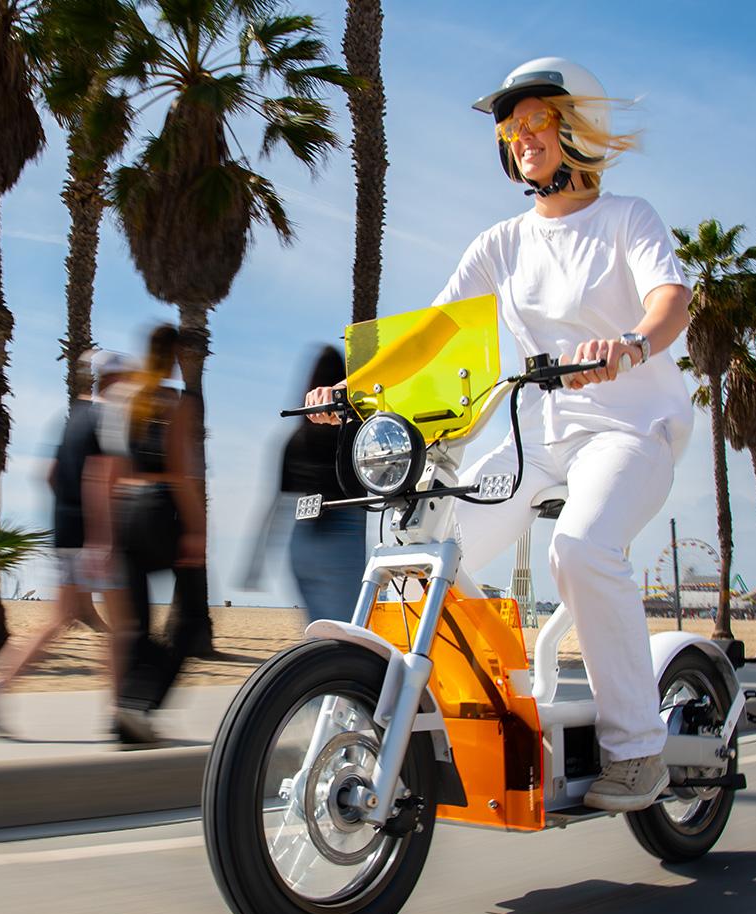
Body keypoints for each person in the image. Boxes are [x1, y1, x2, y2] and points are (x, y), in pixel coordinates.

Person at [307, 58, 693, 812]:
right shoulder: (501, 243)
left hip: (630, 427)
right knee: (428, 553)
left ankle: (636, 751)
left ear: (576, 125)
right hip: (541, 436)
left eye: (537, 119)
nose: (522, 136)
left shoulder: (627, 218)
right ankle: (495, 704)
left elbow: (670, 300)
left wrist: (632, 344)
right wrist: (351, 390)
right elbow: (432, 333)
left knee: (579, 550)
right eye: (511, 128)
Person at [0, 351, 132, 737]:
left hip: (65, 533)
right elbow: (100, 479)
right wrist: (102, 539)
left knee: (62, 618)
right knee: (124, 624)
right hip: (94, 538)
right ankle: (120, 710)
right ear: (115, 381)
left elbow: (49, 475)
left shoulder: (74, 417)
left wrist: (69, 516)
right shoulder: (110, 416)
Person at [92, 324, 206, 744]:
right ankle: (142, 703)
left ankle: (124, 712)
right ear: (174, 355)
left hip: (125, 512)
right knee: (190, 620)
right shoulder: (175, 402)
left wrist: (104, 536)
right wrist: (196, 530)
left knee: (137, 625)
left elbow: (109, 472)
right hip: (161, 511)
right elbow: (179, 471)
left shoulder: (123, 398)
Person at [242, 345, 366, 622]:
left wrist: (255, 564)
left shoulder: (295, 438)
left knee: (318, 628)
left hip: (301, 538)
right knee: (348, 629)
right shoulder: (356, 432)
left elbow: (275, 505)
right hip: (343, 534)